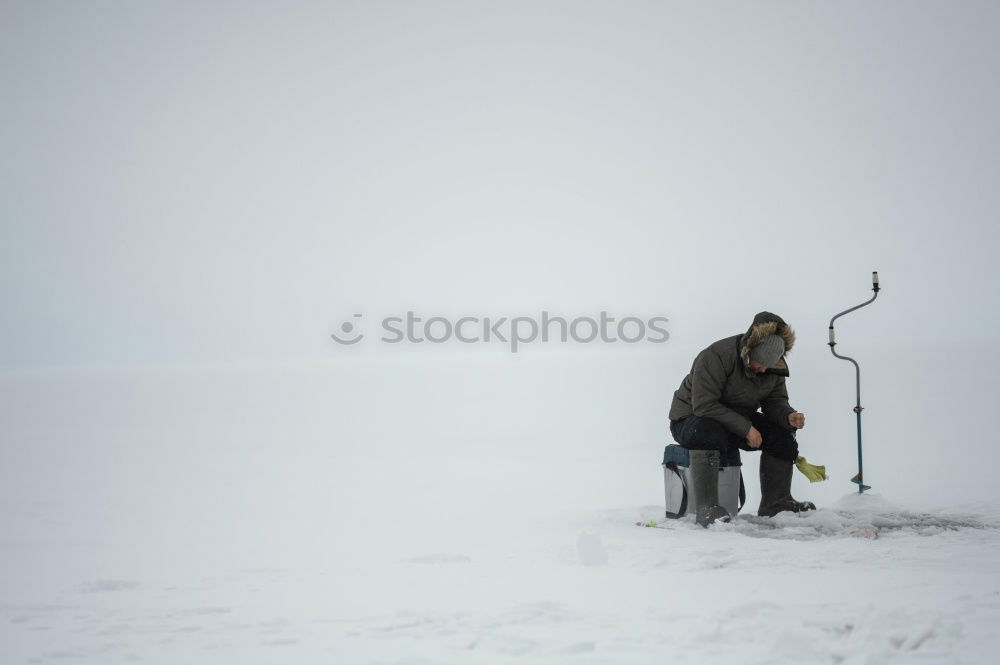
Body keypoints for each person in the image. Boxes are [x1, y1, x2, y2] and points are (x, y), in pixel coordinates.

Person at [668, 311, 816, 527]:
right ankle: (707, 508)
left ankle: (776, 504)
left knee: (782, 435)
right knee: (710, 432)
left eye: (769, 366)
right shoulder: (716, 356)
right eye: (759, 363)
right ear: (749, 351)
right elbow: (704, 405)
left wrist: (788, 415)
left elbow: (775, 401)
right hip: (690, 419)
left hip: (734, 420)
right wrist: (746, 428)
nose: (763, 369)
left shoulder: (773, 368)